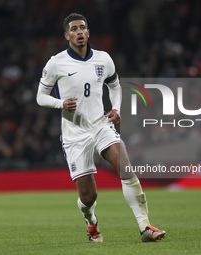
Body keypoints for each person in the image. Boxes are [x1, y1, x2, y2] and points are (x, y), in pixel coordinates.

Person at [36, 13, 165, 243]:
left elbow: (115, 86)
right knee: (88, 196)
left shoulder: (104, 59)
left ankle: (145, 226)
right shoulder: (56, 62)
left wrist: (116, 108)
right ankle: (91, 221)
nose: (78, 32)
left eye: (82, 28)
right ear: (67, 35)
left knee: (125, 167)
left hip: (100, 126)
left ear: (88, 32)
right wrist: (61, 103)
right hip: (75, 135)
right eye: (73, 29)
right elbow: (40, 97)